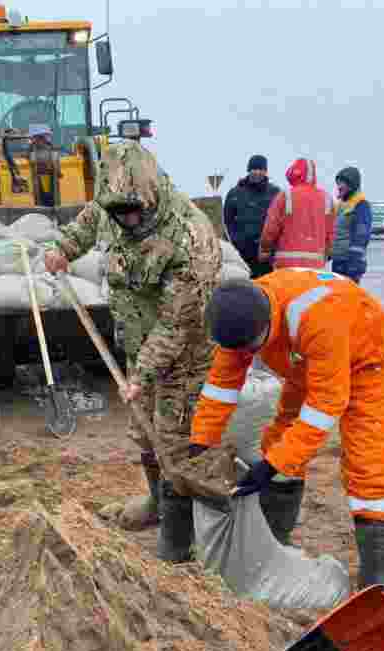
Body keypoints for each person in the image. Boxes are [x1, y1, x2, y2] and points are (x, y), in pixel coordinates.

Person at [45, 141, 222, 561]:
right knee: (144, 432)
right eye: (118, 213)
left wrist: (141, 375)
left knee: (175, 441)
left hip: (184, 355)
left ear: (152, 197)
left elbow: (176, 323)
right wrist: (63, 249)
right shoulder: (111, 209)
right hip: (136, 342)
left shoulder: (189, 236)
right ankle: (158, 505)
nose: (127, 221)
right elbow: (87, 224)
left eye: (134, 213)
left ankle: (182, 541)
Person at [189, 274, 384, 590]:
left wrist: (273, 466)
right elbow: (220, 390)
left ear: (267, 323)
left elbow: (326, 407)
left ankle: (381, 577)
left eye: (252, 347)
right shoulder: (239, 318)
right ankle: (275, 540)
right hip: (305, 360)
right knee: (278, 441)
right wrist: (200, 445)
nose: (246, 354)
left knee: (368, 464)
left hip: (366, 358)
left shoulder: (318, 318)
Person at [258, 158, 330, 270]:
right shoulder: (327, 199)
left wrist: (265, 249)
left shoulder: (285, 196)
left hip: (286, 266)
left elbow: (270, 229)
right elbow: (332, 236)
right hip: (316, 268)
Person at [224, 155, 280, 279]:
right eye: (254, 169)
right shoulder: (235, 193)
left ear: (266, 172)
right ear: (248, 170)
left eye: (260, 169)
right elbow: (227, 221)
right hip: (241, 253)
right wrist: (236, 241)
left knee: (266, 286)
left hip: (266, 253)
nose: (257, 172)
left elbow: (280, 221)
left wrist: (272, 246)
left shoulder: (275, 193)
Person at [328, 166, 371, 284]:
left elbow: (361, 235)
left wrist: (354, 264)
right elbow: (337, 231)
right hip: (338, 262)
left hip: (350, 263)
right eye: (338, 183)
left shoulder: (361, 205)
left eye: (342, 183)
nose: (339, 187)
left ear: (352, 184)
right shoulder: (342, 204)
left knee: (348, 298)